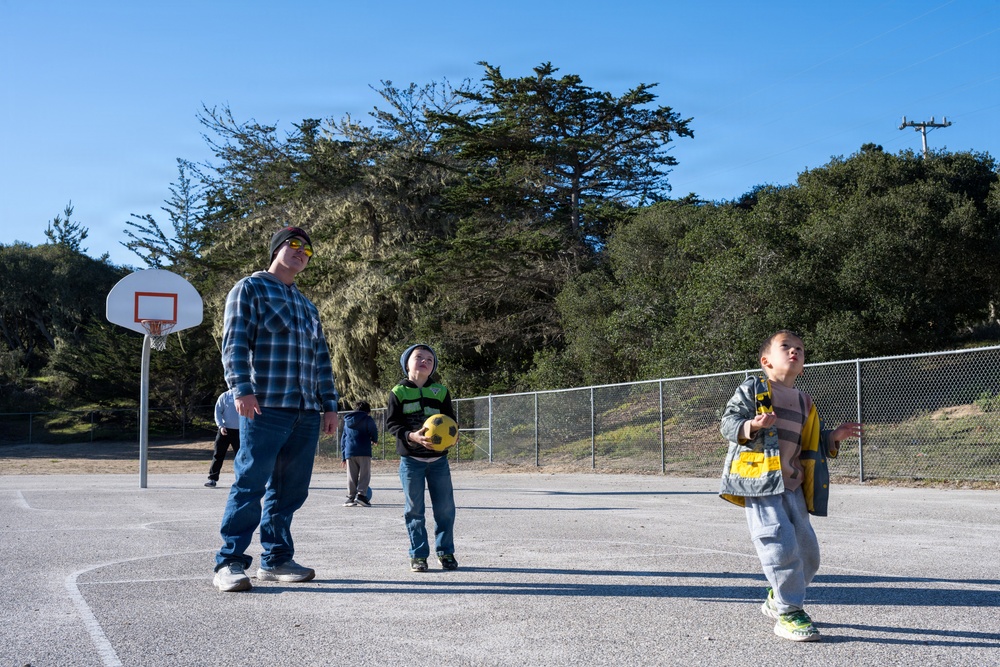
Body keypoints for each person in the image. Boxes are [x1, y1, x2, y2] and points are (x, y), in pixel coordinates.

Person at [212, 225, 339, 593]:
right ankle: (230, 562)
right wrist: (242, 389)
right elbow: (234, 342)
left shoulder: (306, 305)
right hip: (265, 406)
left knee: (290, 491)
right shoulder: (250, 288)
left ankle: (277, 559)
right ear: (276, 250)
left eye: (307, 250)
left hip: (305, 411)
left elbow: (321, 360)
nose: (301, 252)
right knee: (250, 483)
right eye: (294, 245)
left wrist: (329, 406)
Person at [719, 330, 862, 641]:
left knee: (809, 555)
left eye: (800, 348)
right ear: (766, 360)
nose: (795, 351)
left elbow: (811, 443)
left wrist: (833, 438)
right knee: (779, 545)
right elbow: (727, 423)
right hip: (761, 483)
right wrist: (751, 425)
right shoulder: (754, 389)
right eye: (786, 346)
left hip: (793, 486)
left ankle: (776, 597)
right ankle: (788, 612)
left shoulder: (804, 401)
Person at [386, 344, 459, 572]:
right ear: (407, 363)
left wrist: (454, 435)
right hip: (411, 462)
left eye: (430, 359)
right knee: (414, 510)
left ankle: (445, 552)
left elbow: (451, 422)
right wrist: (411, 436)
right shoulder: (398, 392)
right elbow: (391, 424)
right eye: (419, 357)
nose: (425, 361)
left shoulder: (441, 391)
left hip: (438, 462)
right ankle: (418, 555)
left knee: (445, 508)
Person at [341, 400, 378, 507]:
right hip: (363, 450)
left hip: (349, 451)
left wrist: (343, 456)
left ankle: (350, 497)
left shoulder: (347, 421)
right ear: (368, 411)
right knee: (364, 474)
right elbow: (373, 429)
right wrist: (374, 439)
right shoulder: (367, 418)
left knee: (351, 475)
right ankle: (361, 496)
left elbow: (343, 439)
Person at [205, 389, 240, 488]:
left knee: (241, 457)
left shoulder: (245, 395)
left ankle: (241, 479)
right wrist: (221, 426)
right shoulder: (224, 396)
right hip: (224, 430)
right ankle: (212, 479)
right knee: (218, 454)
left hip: (240, 431)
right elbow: (218, 411)